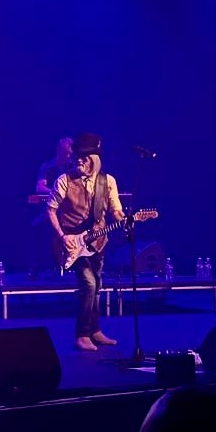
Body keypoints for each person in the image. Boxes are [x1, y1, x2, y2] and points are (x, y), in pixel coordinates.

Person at [47, 132, 125, 352]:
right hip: (72, 243)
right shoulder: (64, 180)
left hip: (98, 242)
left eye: (84, 157)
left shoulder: (107, 182)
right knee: (89, 284)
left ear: (94, 159)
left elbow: (115, 210)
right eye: (77, 156)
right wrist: (62, 236)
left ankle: (95, 330)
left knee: (97, 285)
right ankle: (81, 335)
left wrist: (124, 218)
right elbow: (50, 210)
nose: (79, 160)